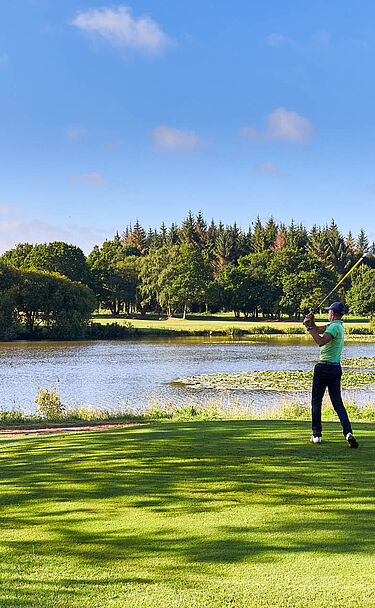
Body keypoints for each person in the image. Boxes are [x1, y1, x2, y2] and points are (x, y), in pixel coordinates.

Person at [303, 302, 359, 448]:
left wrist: (309, 327)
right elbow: (318, 329)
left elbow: (320, 341)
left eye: (329, 312)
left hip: (323, 368)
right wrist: (312, 322)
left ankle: (316, 435)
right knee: (338, 403)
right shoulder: (337, 326)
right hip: (335, 369)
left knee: (316, 401)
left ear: (333, 314)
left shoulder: (333, 327)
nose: (328, 314)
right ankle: (348, 433)